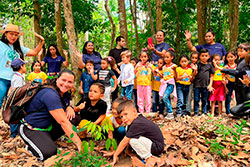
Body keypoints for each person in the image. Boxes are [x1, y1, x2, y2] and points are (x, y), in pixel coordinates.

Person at [19, 69, 82, 161]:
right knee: (49, 153)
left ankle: (45, 140)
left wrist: (69, 107)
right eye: (63, 80)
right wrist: (80, 145)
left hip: (47, 127)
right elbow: (63, 121)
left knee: (74, 117)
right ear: (57, 79)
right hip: (31, 128)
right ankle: (33, 146)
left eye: (70, 82)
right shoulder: (50, 94)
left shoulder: (62, 93)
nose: (66, 84)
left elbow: (63, 106)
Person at [0, 24, 44, 107]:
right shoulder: (0, 44)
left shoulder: (18, 47)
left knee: (14, 104)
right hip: (1, 79)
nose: (13, 37)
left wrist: (41, 42)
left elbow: (34, 52)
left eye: (16, 35)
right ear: (5, 34)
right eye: (11, 34)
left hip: (15, 79)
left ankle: (8, 119)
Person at [111, 100, 165, 166]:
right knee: (128, 133)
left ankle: (149, 157)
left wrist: (115, 155)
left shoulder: (137, 124)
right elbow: (128, 135)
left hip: (156, 147)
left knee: (132, 141)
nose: (124, 118)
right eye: (121, 116)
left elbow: (125, 141)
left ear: (134, 112)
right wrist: (127, 150)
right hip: (152, 144)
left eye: (125, 114)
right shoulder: (136, 119)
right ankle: (147, 155)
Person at [193, 49, 215, 115]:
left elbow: (211, 76)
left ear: (209, 56)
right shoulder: (197, 65)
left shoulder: (210, 65)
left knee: (205, 100)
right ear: (199, 56)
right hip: (197, 85)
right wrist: (195, 70)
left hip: (206, 85)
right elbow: (194, 74)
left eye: (206, 56)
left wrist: (210, 85)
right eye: (202, 56)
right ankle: (196, 112)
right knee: (196, 99)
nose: (204, 57)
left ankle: (204, 112)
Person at [10, 58, 27, 138]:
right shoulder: (17, 78)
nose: (25, 67)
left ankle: (17, 134)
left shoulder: (17, 76)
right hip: (17, 102)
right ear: (21, 66)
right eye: (24, 65)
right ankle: (13, 135)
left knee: (18, 117)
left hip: (17, 102)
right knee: (15, 117)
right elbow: (17, 90)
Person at [109, 36, 128, 101]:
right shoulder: (112, 51)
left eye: (124, 41)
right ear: (118, 42)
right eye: (122, 41)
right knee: (115, 88)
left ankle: (126, 103)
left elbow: (128, 59)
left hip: (125, 71)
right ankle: (114, 103)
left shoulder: (125, 50)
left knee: (125, 87)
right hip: (114, 72)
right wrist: (116, 67)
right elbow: (110, 61)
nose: (124, 42)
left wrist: (119, 64)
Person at [159, 49, 177, 119]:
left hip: (170, 84)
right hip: (164, 84)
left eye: (167, 57)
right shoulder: (164, 67)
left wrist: (175, 70)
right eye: (165, 57)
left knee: (165, 97)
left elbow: (176, 76)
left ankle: (170, 112)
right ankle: (168, 112)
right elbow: (164, 76)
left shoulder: (174, 66)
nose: (165, 59)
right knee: (164, 97)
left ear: (172, 57)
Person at [224, 50, 237, 115]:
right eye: (228, 57)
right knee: (228, 98)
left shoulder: (237, 66)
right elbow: (223, 77)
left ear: (235, 57)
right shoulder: (225, 67)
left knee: (238, 97)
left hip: (237, 83)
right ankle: (228, 112)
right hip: (228, 83)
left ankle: (238, 111)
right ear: (226, 58)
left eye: (232, 57)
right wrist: (225, 87)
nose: (230, 58)